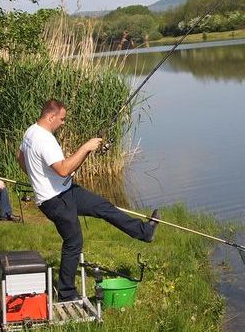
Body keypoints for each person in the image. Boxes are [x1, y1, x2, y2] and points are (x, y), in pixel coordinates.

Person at [18, 99, 158, 301]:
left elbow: (20, 158)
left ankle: (145, 232)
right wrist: (86, 147)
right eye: (62, 118)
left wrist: (36, 179)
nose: (63, 122)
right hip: (55, 200)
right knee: (73, 242)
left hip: (66, 191)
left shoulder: (30, 132)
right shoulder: (44, 139)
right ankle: (66, 293)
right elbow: (65, 169)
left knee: (103, 207)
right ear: (50, 116)